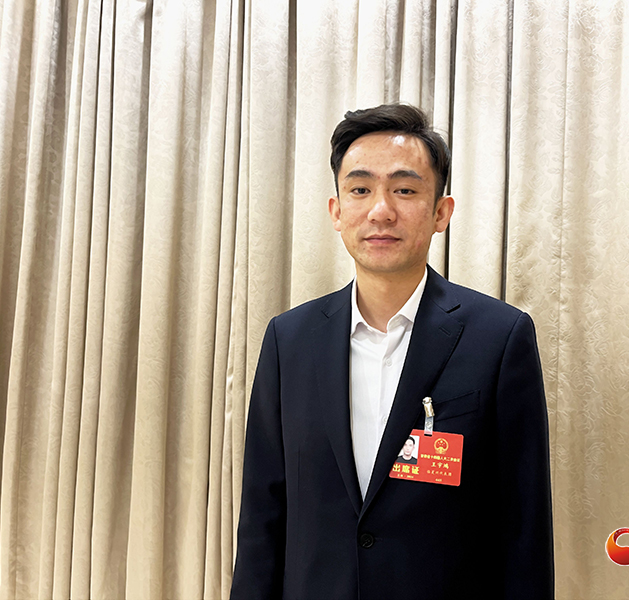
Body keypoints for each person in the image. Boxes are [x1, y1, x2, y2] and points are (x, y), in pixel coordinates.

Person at [230, 104, 553, 599]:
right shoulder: (288, 340)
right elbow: (262, 515)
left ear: (441, 212)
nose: (380, 210)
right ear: (337, 212)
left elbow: (523, 527)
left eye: (404, 190)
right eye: (360, 190)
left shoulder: (499, 338)